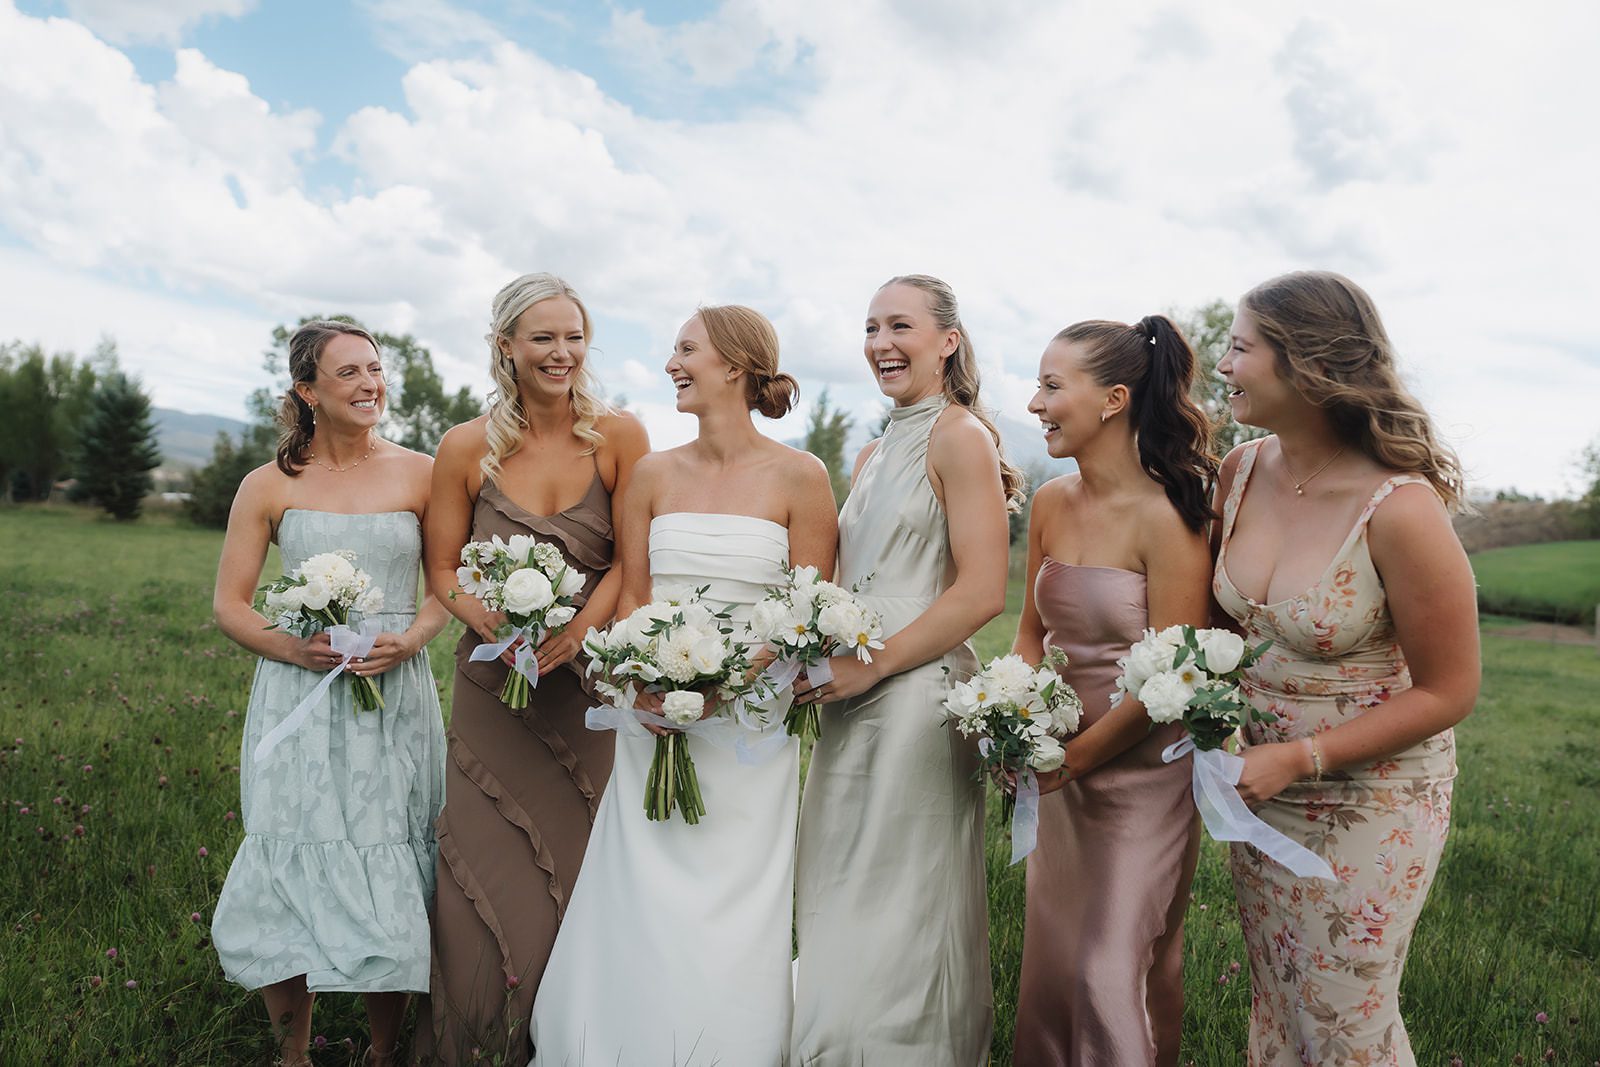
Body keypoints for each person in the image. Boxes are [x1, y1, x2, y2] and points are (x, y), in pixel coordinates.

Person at [529, 304, 837, 1065]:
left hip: (749, 723)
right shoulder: (653, 474)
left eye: (685, 349)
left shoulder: (802, 476)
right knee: (643, 875)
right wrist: (641, 684)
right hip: (651, 713)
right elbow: (634, 596)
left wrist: (725, 683)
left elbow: (808, 606)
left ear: (734, 365)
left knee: (736, 888)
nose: (672, 362)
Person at [1213, 271, 1478, 1064]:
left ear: (1306, 364)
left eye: (1238, 347)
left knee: (1346, 1019)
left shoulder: (1401, 508)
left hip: (1373, 798)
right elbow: (1213, 632)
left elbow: (1451, 687)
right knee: (1283, 1002)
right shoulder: (1240, 471)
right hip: (1260, 790)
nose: (1222, 365)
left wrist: (1301, 755)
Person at [417, 273, 648, 1064]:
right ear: (507, 346)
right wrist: (481, 614)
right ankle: (477, 1038)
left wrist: (581, 629)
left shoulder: (619, 436)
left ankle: (569, 1041)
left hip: (584, 694)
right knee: (480, 870)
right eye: (543, 337)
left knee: (583, 870)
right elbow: (442, 567)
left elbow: (631, 561)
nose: (561, 352)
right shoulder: (463, 446)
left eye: (573, 336)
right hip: (490, 687)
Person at [791, 274, 1018, 1065]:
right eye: (870, 326)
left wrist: (874, 665)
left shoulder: (959, 436)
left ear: (947, 341)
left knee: (905, 895)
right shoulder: (874, 448)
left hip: (916, 693)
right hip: (850, 692)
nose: (881, 342)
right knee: (841, 882)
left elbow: (984, 589)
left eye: (901, 326)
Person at [211, 319, 448, 1067]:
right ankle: (294, 1054)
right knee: (290, 845)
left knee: (389, 850)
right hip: (298, 695)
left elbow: (449, 586)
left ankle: (384, 1050)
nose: (370, 382)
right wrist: (291, 646)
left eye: (375, 368)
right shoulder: (268, 483)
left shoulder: (423, 473)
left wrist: (410, 638)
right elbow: (231, 603)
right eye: (348, 372)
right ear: (307, 391)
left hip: (394, 692)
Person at [1009, 316, 1215, 1064]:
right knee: (1057, 958)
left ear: (1115, 399)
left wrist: (1074, 758)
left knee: (1111, 965)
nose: (1034, 403)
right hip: (1057, 767)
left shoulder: (1168, 517)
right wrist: (1016, 720)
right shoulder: (1050, 502)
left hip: (1141, 773)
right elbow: (1031, 633)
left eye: (1052, 385)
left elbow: (1176, 674)